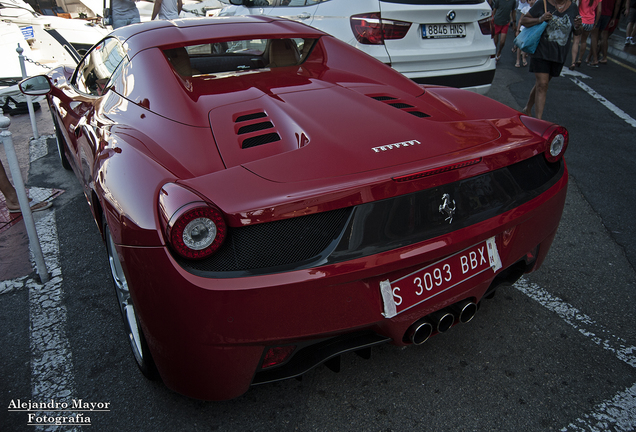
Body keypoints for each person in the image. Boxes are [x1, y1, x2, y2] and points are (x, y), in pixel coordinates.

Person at [521, 0, 583, 119]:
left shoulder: (573, 7)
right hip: (541, 51)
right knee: (543, 85)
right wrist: (540, 19)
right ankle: (539, 121)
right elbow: (524, 20)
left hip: (558, 54)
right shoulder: (542, 3)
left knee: (542, 84)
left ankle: (527, 108)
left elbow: (577, 32)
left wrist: (578, 25)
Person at [569, 0, 602, 68]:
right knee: (584, 41)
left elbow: (577, 6)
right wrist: (595, 23)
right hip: (590, 21)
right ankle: (580, 59)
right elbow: (599, 11)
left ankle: (573, 62)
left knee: (576, 41)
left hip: (581, 20)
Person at [515, 0, 536, 67]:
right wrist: (518, 30)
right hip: (523, 29)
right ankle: (518, 60)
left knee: (526, 45)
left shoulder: (536, 9)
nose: (532, 1)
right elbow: (520, 20)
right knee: (519, 45)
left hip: (530, 30)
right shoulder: (525, 9)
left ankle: (523, 57)